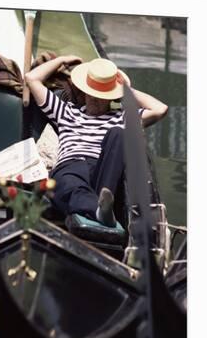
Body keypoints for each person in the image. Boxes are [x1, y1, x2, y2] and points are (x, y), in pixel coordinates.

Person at [25, 55, 168, 234]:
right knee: (69, 184)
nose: (93, 99)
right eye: (91, 94)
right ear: (84, 92)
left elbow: (160, 109)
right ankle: (99, 210)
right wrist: (62, 60)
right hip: (71, 165)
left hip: (101, 171)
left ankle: (102, 203)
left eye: (101, 96)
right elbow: (32, 78)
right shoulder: (66, 112)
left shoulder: (121, 117)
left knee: (119, 133)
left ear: (111, 98)